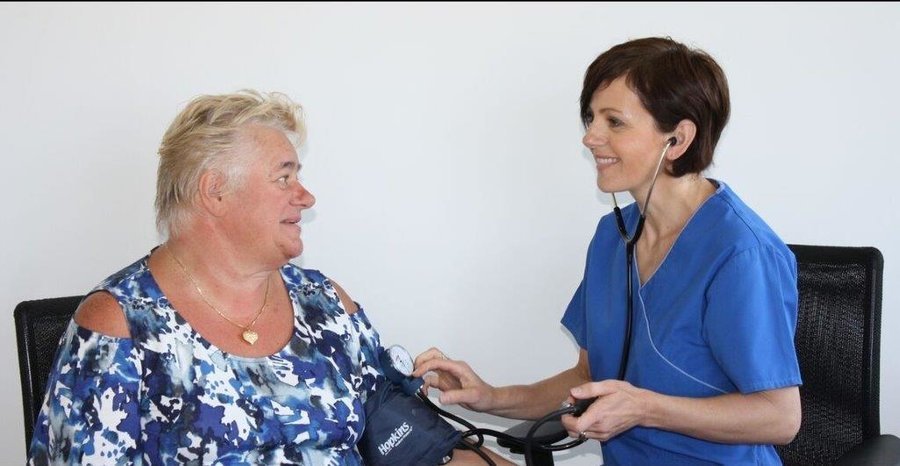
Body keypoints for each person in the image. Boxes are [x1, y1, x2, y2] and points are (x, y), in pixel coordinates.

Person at [27, 90, 509, 465]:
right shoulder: (120, 325)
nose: (306, 196)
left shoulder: (325, 304)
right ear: (215, 192)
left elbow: (413, 448)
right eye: (284, 177)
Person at [414, 37, 803, 465]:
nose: (590, 137)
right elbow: (588, 377)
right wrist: (490, 397)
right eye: (591, 118)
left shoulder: (741, 254)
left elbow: (780, 418)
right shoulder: (612, 237)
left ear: (677, 139)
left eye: (614, 122)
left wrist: (646, 407)